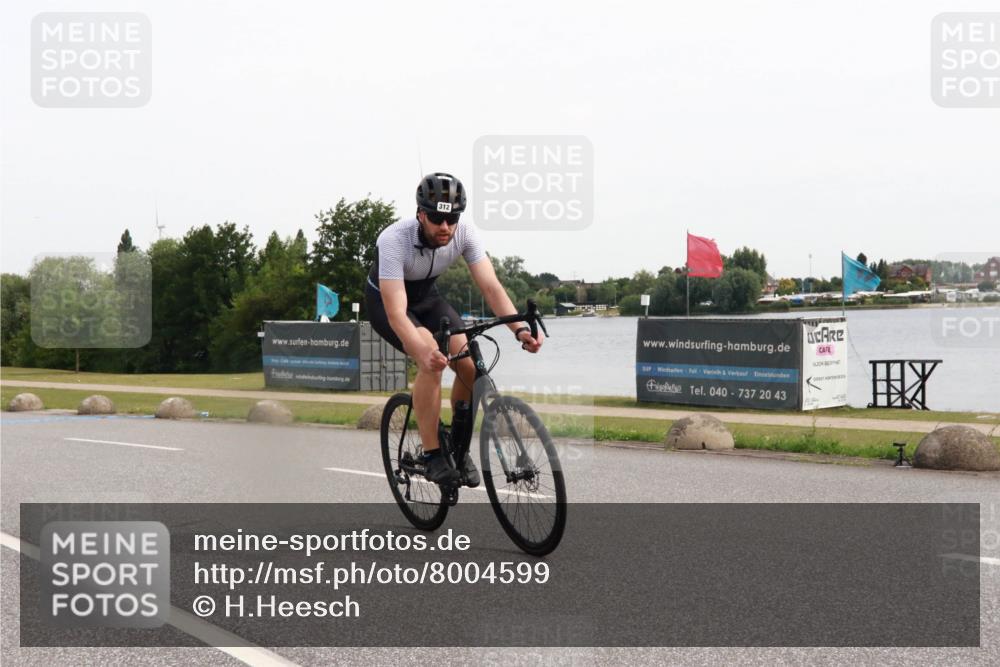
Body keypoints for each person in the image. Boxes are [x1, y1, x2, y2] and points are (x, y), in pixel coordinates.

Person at [365, 173, 543, 485]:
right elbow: (396, 313)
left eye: (452, 218)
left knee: (470, 368)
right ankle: (433, 454)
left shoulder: (465, 234)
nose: (445, 227)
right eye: (436, 218)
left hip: (428, 299)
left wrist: (518, 329)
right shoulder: (394, 240)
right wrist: (424, 352)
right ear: (421, 214)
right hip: (388, 303)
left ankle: (458, 448)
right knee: (430, 357)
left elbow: (491, 287)